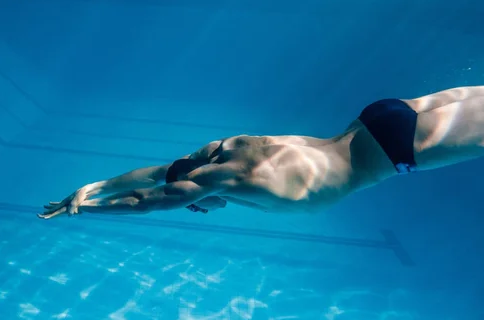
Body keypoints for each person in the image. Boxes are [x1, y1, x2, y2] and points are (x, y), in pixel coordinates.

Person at [38, 85, 484, 219]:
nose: (205, 210)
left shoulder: (217, 181)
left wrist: (85, 210)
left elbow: (144, 200)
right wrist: (91, 187)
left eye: (197, 207)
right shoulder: (218, 149)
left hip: (393, 150)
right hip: (374, 118)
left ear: (192, 193)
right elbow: (155, 174)